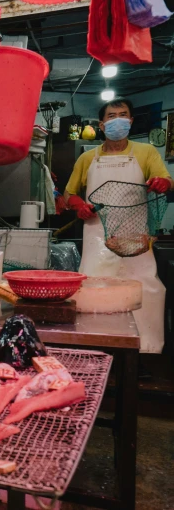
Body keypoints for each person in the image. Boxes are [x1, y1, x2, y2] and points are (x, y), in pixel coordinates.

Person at [64, 97, 172, 354]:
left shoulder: (146, 152)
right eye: (111, 116)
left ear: (131, 121)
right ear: (101, 124)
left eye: (123, 115)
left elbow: (167, 179)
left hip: (136, 237)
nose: (118, 120)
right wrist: (79, 205)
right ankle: (97, 348)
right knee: (94, 289)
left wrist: (163, 183)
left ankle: (144, 351)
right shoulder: (88, 158)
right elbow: (68, 195)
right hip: (96, 235)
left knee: (144, 288)